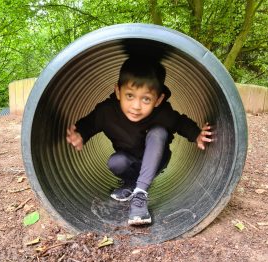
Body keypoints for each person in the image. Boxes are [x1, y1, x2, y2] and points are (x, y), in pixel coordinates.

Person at [66, 57, 213, 226]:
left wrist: (197, 135)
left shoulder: (162, 113)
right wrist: (80, 135)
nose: (136, 106)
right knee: (116, 162)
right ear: (118, 92)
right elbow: (90, 123)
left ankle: (140, 194)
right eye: (130, 95)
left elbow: (180, 122)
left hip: (157, 159)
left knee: (158, 132)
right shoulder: (107, 111)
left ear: (157, 100)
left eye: (146, 99)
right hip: (130, 160)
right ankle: (131, 183)